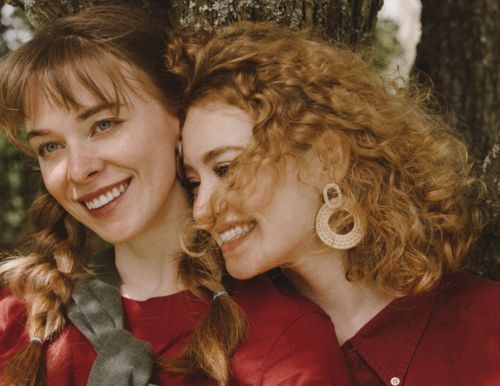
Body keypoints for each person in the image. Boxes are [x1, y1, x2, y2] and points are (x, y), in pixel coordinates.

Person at [0, 7, 352, 386]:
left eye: (103, 125)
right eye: (50, 147)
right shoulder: (18, 319)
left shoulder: (280, 339)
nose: (77, 170)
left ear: (177, 117)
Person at [172, 22, 500, 386]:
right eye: (194, 182)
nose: (201, 210)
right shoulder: (217, 354)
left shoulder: (487, 326)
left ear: (327, 157)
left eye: (226, 168)